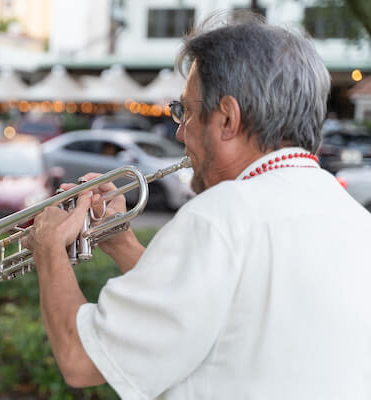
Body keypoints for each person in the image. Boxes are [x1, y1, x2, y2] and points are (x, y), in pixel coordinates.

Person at [21, 12, 371, 400]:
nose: (180, 131)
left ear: (226, 119)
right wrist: (121, 243)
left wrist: (49, 247)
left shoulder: (219, 216)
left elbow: (80, 360)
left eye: (186, 111)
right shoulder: (355, 218)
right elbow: (205, 308)